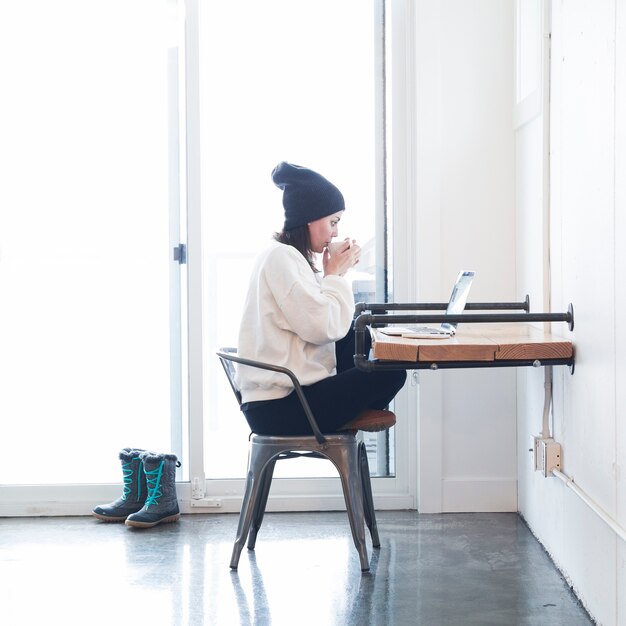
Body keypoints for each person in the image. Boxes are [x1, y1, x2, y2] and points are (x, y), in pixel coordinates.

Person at [235, 161, 406, 436]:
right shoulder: (282, 258)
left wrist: (334, 274)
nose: (336, 232)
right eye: (333, 222)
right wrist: (335, 275)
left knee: (354, 335)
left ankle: (355, 406)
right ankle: (356, 408)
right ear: (310, 218)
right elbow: (322, 327)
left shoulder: (288, 257)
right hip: (281, 406)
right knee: (393, 372)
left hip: (285, 397)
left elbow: (330, 326)